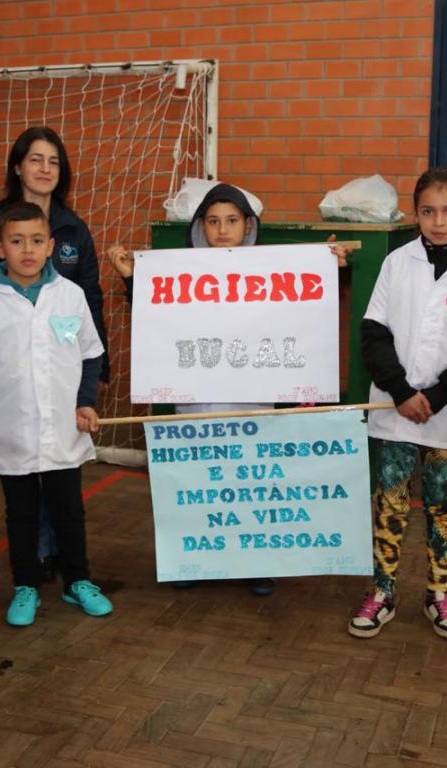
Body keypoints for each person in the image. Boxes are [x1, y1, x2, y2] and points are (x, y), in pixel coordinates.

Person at [347, 167, 447, 640]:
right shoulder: (397, 263)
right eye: (428, 211)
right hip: (394, 408)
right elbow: (374, 332)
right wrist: (401, 391)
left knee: (441, 506)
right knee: (390, 503)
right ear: (415, 214)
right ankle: (382, 591)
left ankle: (439, 592)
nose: (439, 221)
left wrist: (435, 396)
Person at [108, 182, 278, 596]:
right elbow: (155, 315)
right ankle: (194, 556)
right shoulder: (180, 270)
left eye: (232, 221)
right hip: (197, 396)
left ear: (248, 225)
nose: (223, 230)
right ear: (201, 226)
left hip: (251, 397)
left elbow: (303, 311)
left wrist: (327, 266)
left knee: (250, 479)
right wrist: (131, 278)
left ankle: (256, 562)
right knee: (198, 479)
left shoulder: (273, 269)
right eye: (213, 221)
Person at [0, 201, 112, 624]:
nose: (28, 250)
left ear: (51, 246)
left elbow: (90, 354)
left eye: (37, 241)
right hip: (10, 431)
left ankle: (78, 581)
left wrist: (85, 402)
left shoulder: (71, 295)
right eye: (17, 241)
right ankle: (25, 585)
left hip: (64, 428)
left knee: (69, 510)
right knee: (21, 513)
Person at [0, 126, 110, 579]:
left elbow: (88, 301)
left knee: (65, 494)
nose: (45, 169)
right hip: (11, 394)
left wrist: (93, 379)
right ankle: (32, 570)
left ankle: (71, 571)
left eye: (54, 161)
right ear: (17, 167)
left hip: (62, 381)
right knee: (24, 498)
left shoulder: (74, 230)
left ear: (49, 245)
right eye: (35, 159)